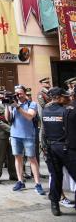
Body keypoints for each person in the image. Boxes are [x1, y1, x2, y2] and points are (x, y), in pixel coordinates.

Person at [40, 87, 75, 216]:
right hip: (66, 149)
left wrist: (43, 147)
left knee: (56, 177)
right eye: (65, 96)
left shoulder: (45, 110)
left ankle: (54, 204)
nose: (68, 98)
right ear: (59, 97)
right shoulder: (66, 111)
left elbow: (43, 131)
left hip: (50, 148)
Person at [8, 85, 45, 195]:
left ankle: (37, 184)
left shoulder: (31, 104)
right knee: (18, 158)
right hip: (15, 135)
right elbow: (7, 118)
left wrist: (18, 107)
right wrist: (7, 106)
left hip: (28, 135)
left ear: (24, 93)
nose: (18, 95)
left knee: (32, 159)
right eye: (16, 93)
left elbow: (29, 116)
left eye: (20, 93)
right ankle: (20, 181)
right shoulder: (12, 104)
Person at [0, 86, 18, 184]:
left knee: (12, 154)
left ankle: (13, 174)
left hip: (12, 132)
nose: (2, 94)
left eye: (2, 92)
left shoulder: (8, 102)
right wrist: (10, 129)